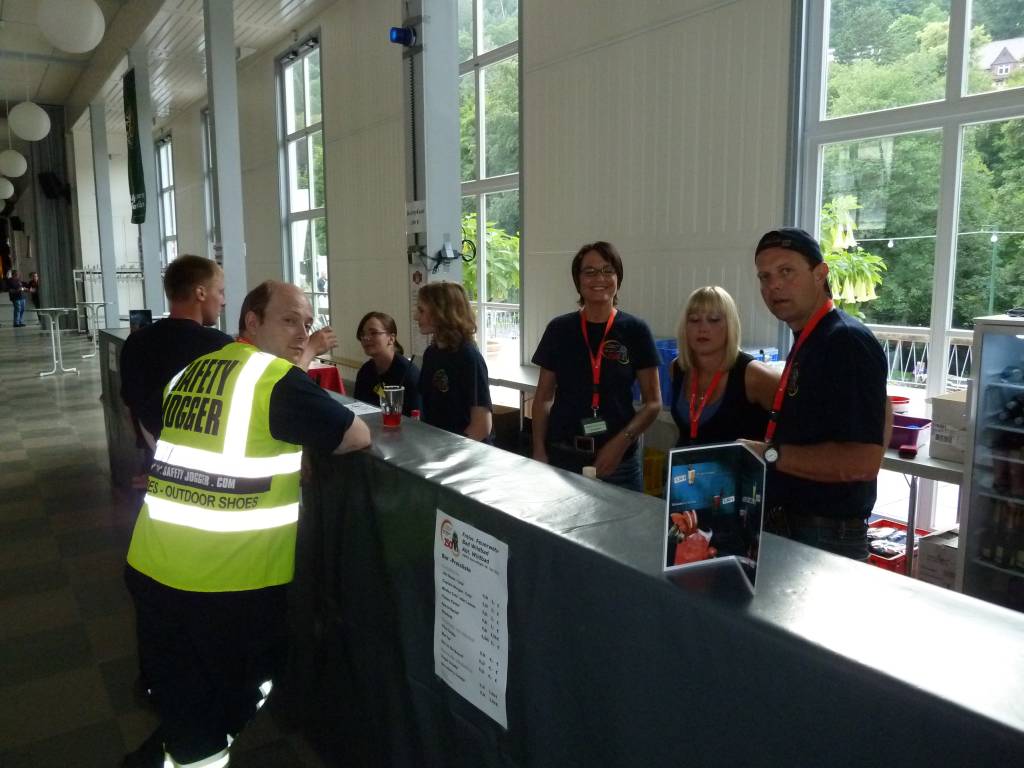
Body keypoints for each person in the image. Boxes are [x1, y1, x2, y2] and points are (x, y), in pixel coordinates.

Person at [121, 281, 371, 768]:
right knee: (229, 704)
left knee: (186, 701)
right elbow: (355, 435)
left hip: (153, 567)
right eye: (289, 320)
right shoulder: (272, 379)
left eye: (307, 323)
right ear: (251, 322)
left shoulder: (194, 371)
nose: (302, 333)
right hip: (225, 585)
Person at [743, 227, 890, 560]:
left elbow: (863, 462)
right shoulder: (811, 338)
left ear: (820, 273)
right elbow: (885, 411)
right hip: (797, 525)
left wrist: (768, 454)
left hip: (825, 534)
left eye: (786, 271)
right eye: (765, 277)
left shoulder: (845, 341)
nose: (774, 285)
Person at [531, 241, 662, 491]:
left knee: (624, 519)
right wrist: (538, 450)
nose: (599, 278)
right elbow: (543, 399)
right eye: (589, 272)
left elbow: (653, 403)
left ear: (618, 278)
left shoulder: (636, 330)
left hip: (618, 464)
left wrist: (621, 442)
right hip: (562, 458)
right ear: (578, 280)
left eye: (607, 270)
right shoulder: (559, 329)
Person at [670, 286, 778, 446]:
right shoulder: (678, 367)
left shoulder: (753, 374)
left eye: (714, 320)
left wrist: (771, 453)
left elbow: (800, 423)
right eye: (694, 320)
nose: (702, 328)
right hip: (687, 462)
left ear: (730, 326)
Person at [416, 282, 493, 440]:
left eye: (421, 311)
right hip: (436, 442)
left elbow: (481, 427)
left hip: (464, 449)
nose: (416, 316)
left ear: (441, 313)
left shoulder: (468, 357)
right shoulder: (431, 353)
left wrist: (446, 451)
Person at [353, 311, 422, 415]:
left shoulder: (408, 374)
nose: (366, 338)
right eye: (362, 334)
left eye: (373, 333)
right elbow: (358, 407)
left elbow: (416, 417)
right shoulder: (366, 371)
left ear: (391, 338)